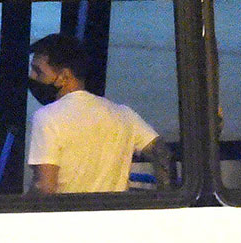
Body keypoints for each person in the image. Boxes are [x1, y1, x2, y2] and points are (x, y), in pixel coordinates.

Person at [26, 33, 172, 194]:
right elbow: (162, 153)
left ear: (64, 76)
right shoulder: (123, 114)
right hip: (114, 215)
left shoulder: (47, 117)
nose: (32, 77)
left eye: (38, 71)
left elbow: (44, 187)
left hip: (69, 217)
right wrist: (165, 199)